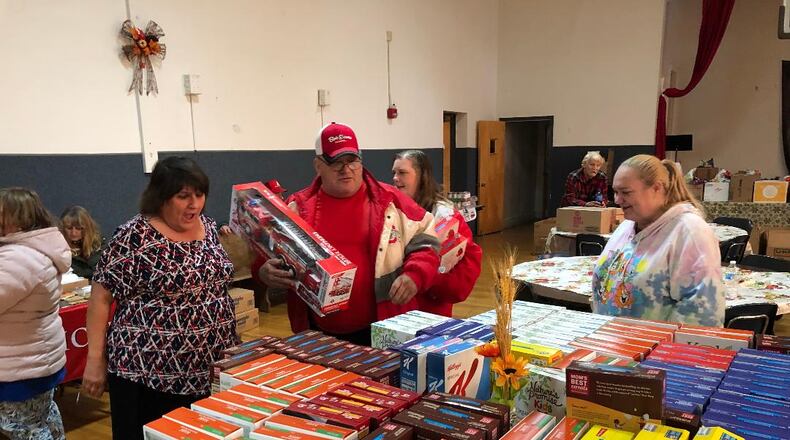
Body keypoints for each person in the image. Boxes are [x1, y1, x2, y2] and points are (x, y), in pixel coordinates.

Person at [82, 156, 236, 439]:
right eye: (183, 196)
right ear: (161, 197)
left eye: (199, 195)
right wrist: (94, 358)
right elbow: (100, 297)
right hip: (147, 373)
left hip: (206, 368)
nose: (194, 204)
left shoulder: (209, 228)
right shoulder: (134, 236)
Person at [256, 122, 440, 345]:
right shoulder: (296, 208)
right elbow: (265, 258)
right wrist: (265, 273)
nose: (346, 169)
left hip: (385, 328)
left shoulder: (391, 201)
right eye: (336, 162)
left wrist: (415, 275)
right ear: (318, 165)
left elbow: (427, 239)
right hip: (316, 332)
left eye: (352, 160)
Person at [592, 154, 725, 326]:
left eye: (626, 192)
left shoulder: (690, 231)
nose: (617, 200)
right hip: (613, 344)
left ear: (657, 188)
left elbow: (703, 314)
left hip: (653, 350)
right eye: (615, 192)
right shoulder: (627, 226)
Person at [0, 187, 70, 440]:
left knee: (23, 427)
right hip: (33, 360)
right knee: (41, 418)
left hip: (20, 368)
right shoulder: (37, 249)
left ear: (15, 219)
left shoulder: (18, 258)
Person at [392, 150, 482, 317]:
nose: (395, 178)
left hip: (431, 311)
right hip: (395, 310)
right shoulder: (391, 211)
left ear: (421, 177)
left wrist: (424, 277)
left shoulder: (445, 216)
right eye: (394, 173)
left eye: (402, 173)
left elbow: (466, 267)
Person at [59, 205, 103, 280]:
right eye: (69, 228)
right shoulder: (59, 250)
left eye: (79, 228)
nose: (73, 233)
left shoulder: (100, 246)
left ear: (88, 228)